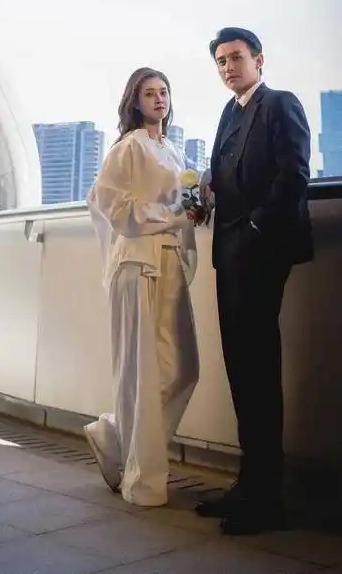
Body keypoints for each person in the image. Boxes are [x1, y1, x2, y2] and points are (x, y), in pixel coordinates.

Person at [197, 28, 313, 535]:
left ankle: (267, 500)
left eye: (236, 57)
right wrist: (203, 193)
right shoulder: (229, 112)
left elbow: (295, 175)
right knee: (241, 370)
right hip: (229, 256)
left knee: (260, 372)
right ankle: (248, 485)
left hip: (261, 253)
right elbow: (228, 176)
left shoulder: (280, 103)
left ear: (258, 60)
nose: (228, 67)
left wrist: (255, 229)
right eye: (221, 61)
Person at [85, 67, 200, 507]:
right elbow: (109, 203)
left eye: (163, 91)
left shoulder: (173, 150)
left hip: (169, 261)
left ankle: (114, 437)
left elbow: (182, 208)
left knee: (183, 368)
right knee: (142, 372)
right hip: (137, 263)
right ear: (135, 101)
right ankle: (142, 480)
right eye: (149, 93)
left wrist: (194, 209)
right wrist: (171, 216)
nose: (159, 99)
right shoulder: (128, 147)